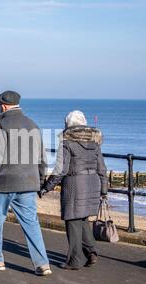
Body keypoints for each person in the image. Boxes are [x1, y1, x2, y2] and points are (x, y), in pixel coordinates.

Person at [0, 90, 52, 276]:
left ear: (3, 106)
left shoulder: (1, 126)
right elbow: (42, 158)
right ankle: (42, 264)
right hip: (28, 183)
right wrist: (41, 181)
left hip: (4, 184)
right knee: (31, 223)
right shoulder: (33, 125)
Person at [40, 110, 108, 270]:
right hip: (93, 183)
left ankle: (75, 260)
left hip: (75, 184)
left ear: (68, 125)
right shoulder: (95, 142)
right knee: (83, 219)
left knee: (72, 221)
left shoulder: (66, 142)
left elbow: (60, 170)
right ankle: (91, 252)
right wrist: (104, 189)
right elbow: (102, 167)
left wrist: (46, 187)